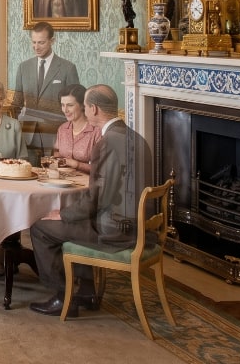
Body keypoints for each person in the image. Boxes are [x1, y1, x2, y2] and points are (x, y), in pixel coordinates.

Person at [29, 85, 150, 317]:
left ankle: (63, 297)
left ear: (93, 109)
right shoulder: (137, 137)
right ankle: (86, 291)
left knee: (41, 228)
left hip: (114, 233)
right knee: (77, 222)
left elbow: (96, 198)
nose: (84, 110)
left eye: (84, 106)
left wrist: (62, 214)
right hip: (139, 227)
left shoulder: (105, 142)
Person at [11, 21, 80, 157]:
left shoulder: (68, 68)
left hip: (55, 135)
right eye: (34, 42)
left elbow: (76, 105)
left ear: (52, 41)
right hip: (27, 134)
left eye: (41, 42)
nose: (36, 47)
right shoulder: (23, 67)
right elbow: (16, 104)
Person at [53, 84, 100, 174]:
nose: (65, 110)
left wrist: (78, 165)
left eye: (70, 105)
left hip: (88, 184)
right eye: (63, 105)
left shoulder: (96, 131)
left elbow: (102, 168)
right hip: (62, 181)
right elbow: (57, 154)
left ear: (83, 105)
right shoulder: (62, 129)